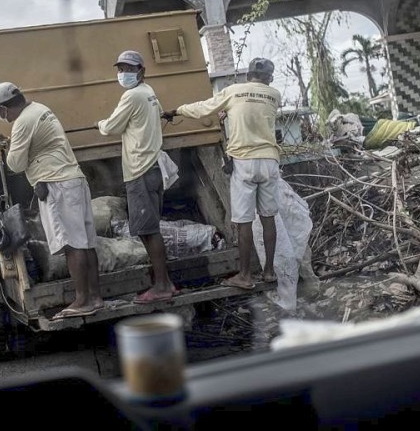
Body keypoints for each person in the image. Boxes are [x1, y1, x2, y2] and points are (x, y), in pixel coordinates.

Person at [163, 57, 281, 290]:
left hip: (244, 162)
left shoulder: (233, 91)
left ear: (248, 76)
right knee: (268, 218)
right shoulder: (273, 95)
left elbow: (203, 108)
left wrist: (176, 111)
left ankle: (245, 275)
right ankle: (269, 272)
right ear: (269, 78)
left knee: (244, 221)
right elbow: (255, 114)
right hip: (269, 161)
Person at [0, 81, 104, 319]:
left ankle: (83, 300)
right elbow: (37, 145)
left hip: (57, 185)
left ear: (3, 108)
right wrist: (12, 143)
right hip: (73, 180)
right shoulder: (39, 109)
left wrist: (8, 149)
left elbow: (15, 164)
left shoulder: (22, 122)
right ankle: (95, 297)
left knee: (72, 245)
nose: (1, 116)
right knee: (85, 242)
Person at [95, 50, 176, 304]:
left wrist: (99, 123)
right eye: (120, 69)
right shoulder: (149, 92)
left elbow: (110, 128)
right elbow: (159, 112)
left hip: (140, 170)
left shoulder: (132, 96)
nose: (123, 74)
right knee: (150, 229)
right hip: (152, 168)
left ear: (141, 71)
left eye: (129, 69)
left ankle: (162, 285)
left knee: (148, 231)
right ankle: (164, 282)